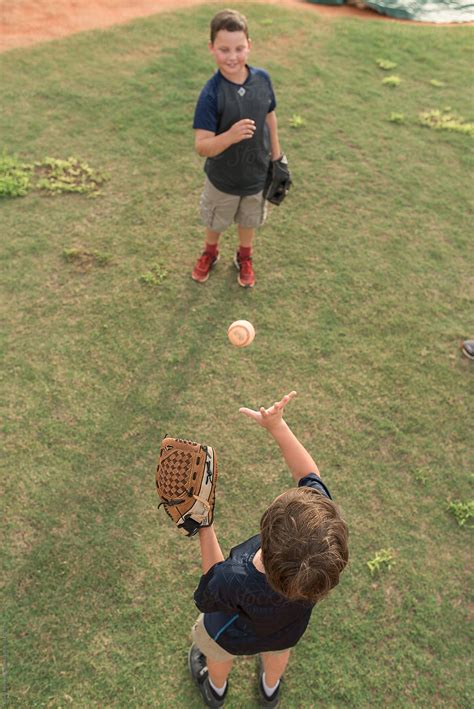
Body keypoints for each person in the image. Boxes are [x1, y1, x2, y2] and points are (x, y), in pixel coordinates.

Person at [188, 392, 349, 707]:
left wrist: (204, 523)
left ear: (265, 532)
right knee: (277, 653)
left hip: (230, 634)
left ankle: (216, 690)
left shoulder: (235, 578)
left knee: (218, 653)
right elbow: (309, 476)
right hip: (286, 631)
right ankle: (270, 688)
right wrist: (277, 426)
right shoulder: (322, 554)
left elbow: (210, 588)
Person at [191, 9, 284, 288]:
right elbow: (202, 146)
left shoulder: (262, 80)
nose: (233, 56)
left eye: (239, 48)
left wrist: (277, 157)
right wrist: (230, 136)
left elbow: (270, 117)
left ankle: (245, 257)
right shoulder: (210, 94)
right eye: (224, 49)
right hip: (223, 178)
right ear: (211, 48)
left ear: (249, 45)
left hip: (256, 173)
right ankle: (210, 251)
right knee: (217, 220)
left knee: (249, 219)